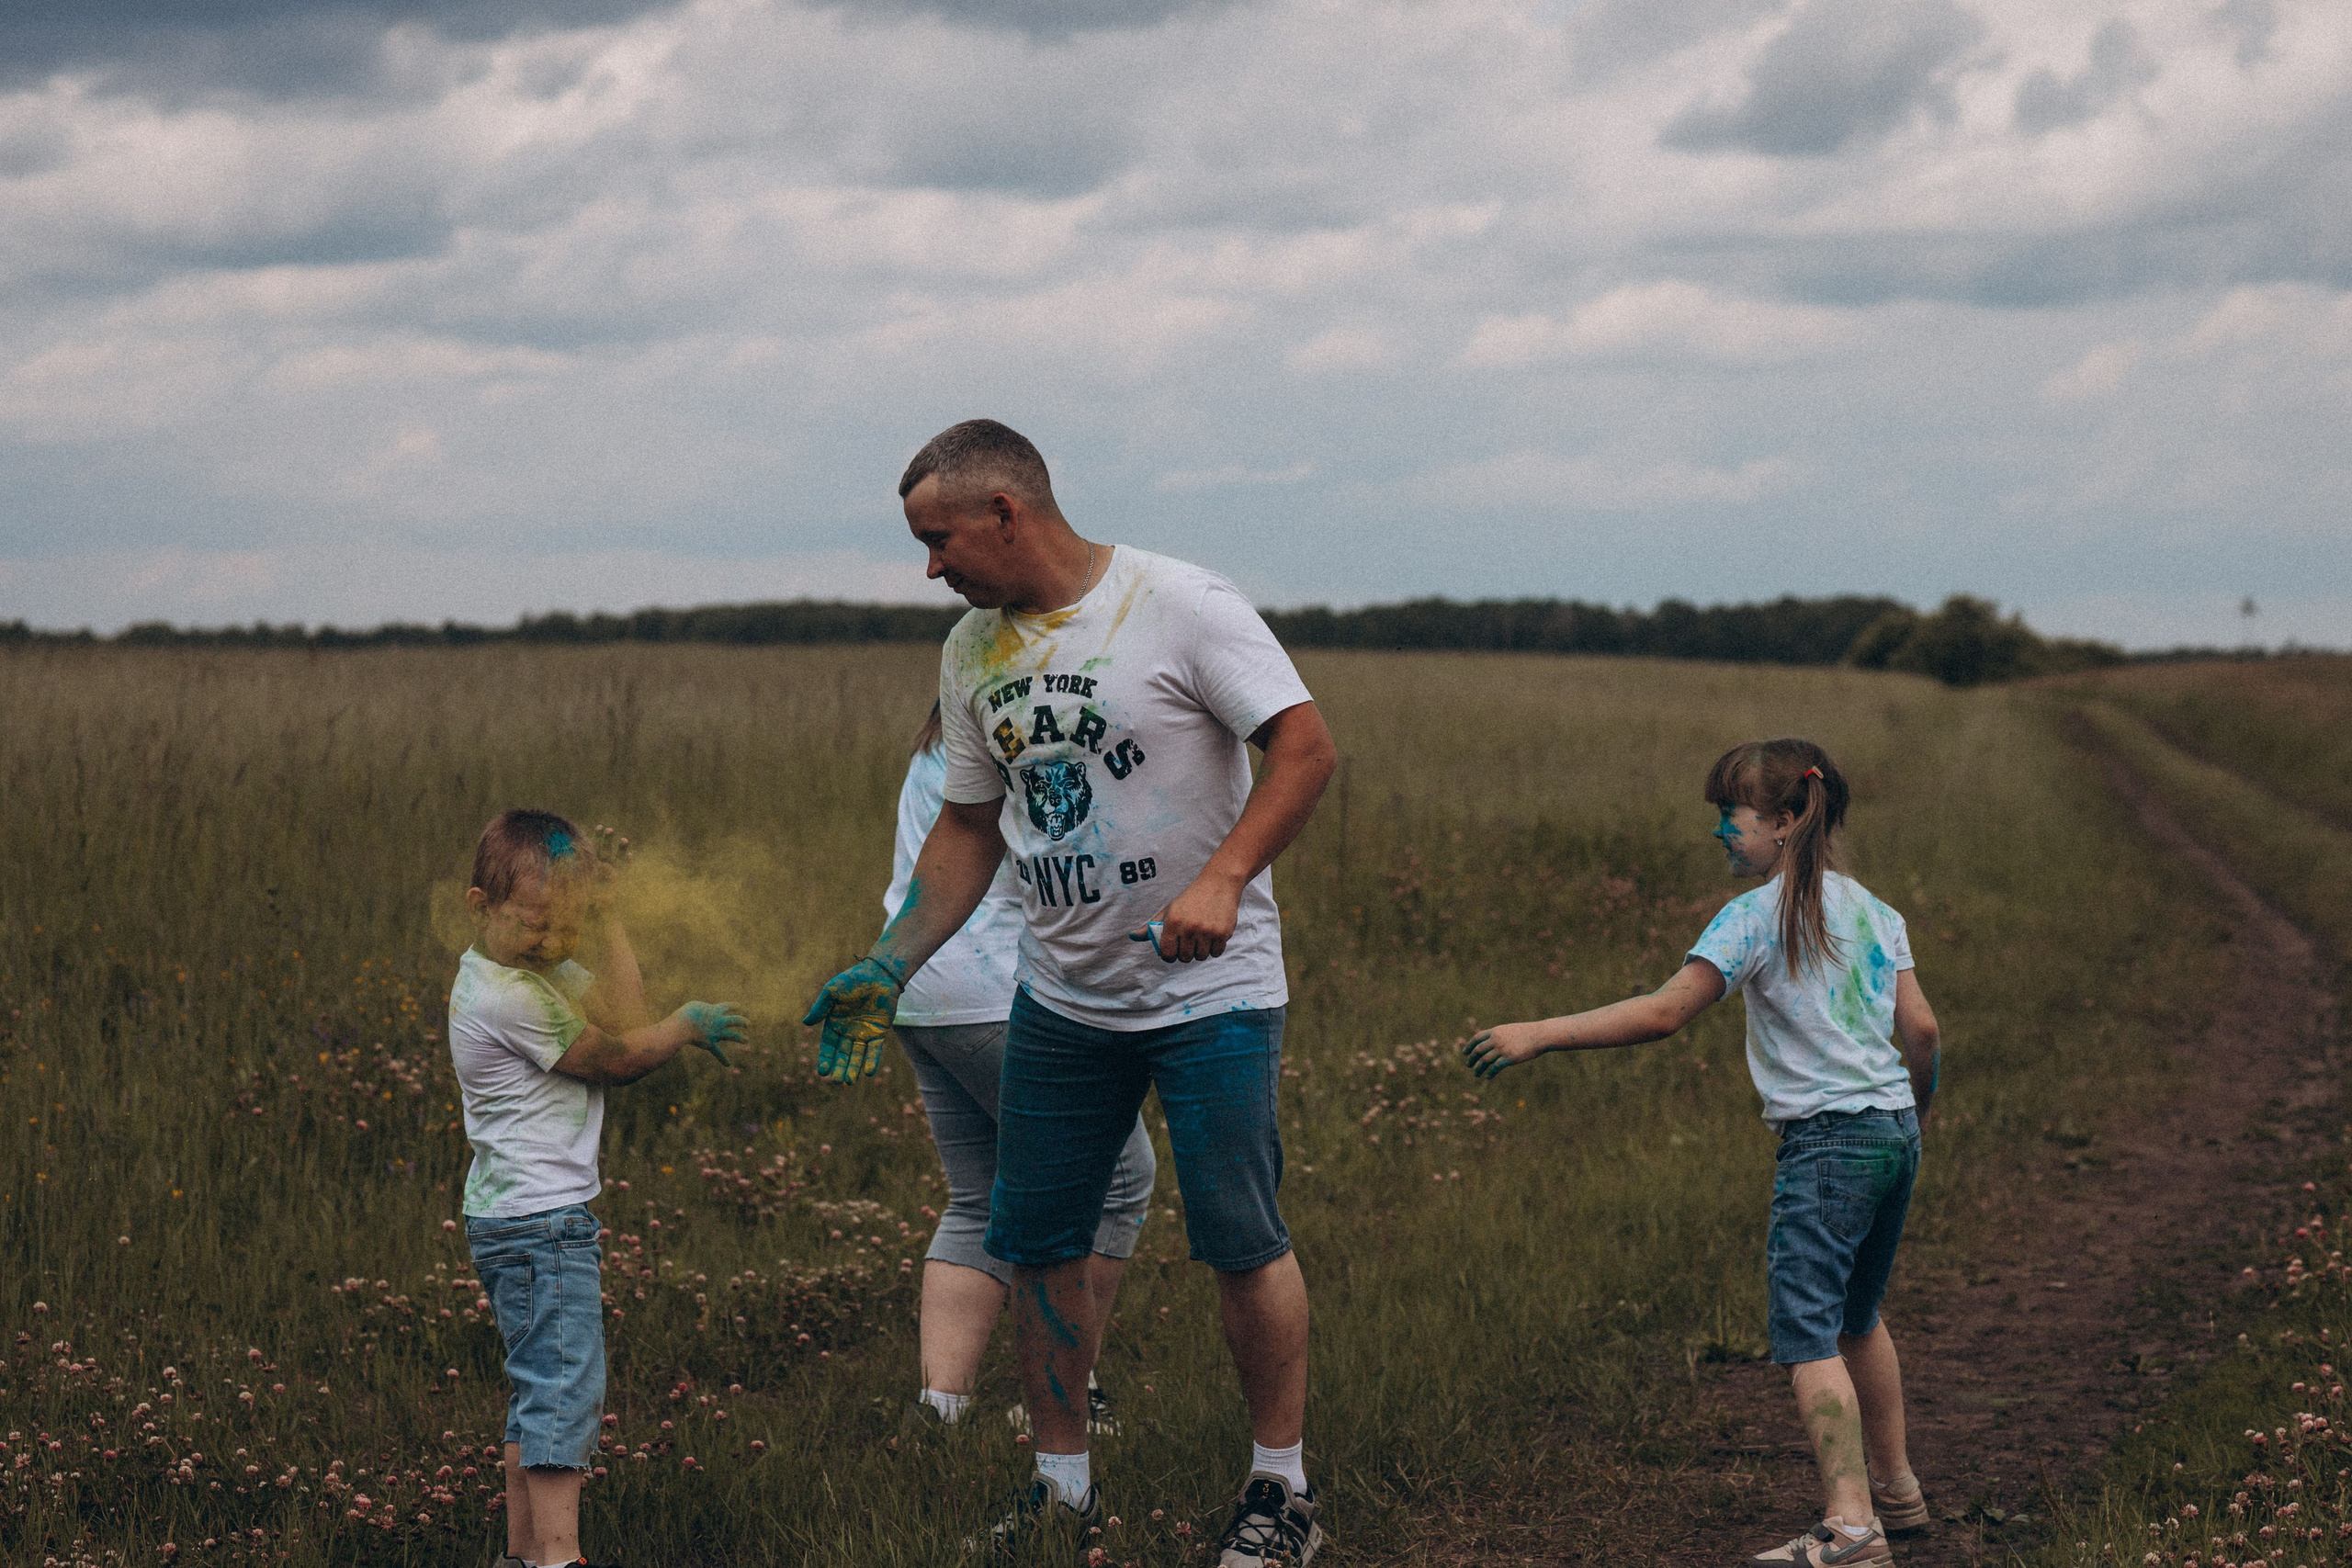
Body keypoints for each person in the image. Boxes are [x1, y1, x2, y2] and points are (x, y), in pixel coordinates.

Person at [803, 420, 1340, 1565]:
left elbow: (1304, 748)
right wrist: (887, 964)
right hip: (1062, 998)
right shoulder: (970, 655)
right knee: (1040, 1237)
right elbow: (964, 827)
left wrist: (1224, 879)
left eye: (938, 540)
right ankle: (1059, 1488)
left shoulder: (1178, 601)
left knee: (1240, 1237)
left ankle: (1281, 1491)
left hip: (1211, 993)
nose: (931, 568)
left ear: (1006, 512)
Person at [1462, 740, 1942, 1568]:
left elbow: (1662, 1013)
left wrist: (1535, 1033)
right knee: (1858, 1316)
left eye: (1732, 816)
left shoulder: (1753, 916)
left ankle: (1854, 1527)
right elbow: (1924, 1031)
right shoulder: (1876, 911)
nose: (1720, 831)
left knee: (1807, 1335)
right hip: (1892, 1131)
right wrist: (1916, 1112)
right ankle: (1898, 1492)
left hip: (1825, 1148)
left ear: (1785, 822)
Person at [448, 808, 747, 1568]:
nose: (553, 941)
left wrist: (609, 919)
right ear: (481, 906)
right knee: (562, 1392)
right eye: (536, 923)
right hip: (541, 1223)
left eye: (569, 926)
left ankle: (522, 1558)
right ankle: (557, 1557)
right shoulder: (512, 996)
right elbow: (615, 1052)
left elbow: (622, 1008)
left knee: (535, 1390)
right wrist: (682, 1027)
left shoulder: (529, 969)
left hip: (516, 1218)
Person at [881, 702, 1158, 1430]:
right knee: (1121, 1177)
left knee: (978, 1195)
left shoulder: (936, 747)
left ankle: (939, 1409)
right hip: (995, 991)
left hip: (917, 985)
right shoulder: (1019, 752)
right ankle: (1072, 1392)